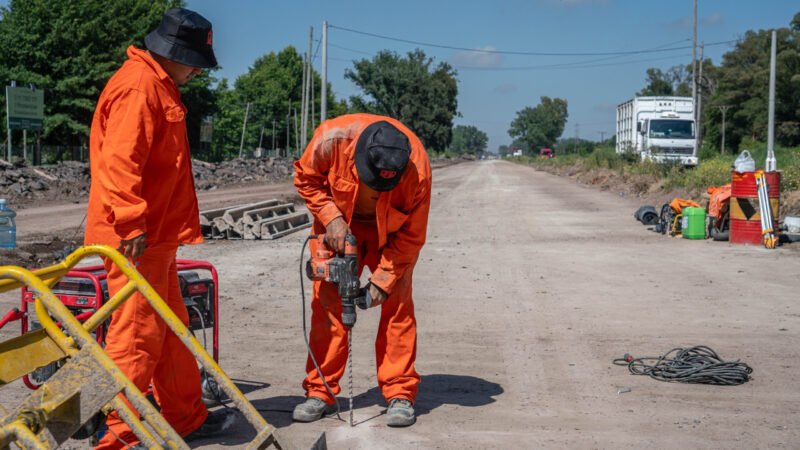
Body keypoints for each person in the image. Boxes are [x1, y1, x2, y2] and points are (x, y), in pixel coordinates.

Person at [84, 8, 233, 449]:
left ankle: (184, 416)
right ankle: (117, 434)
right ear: (172, 52)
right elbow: (119, 161)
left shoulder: (158, 84)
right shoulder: (139, 86)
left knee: (171, 331)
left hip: (156, 238)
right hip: (136, 239)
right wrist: (131, 221)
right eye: (194, 62)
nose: (197, 71)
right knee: (137, 336)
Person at [292, 114, 432, 427]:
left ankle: (400, 392)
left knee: (397, 308)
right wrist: (331, 218)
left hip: (391, 235)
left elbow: (412, 235)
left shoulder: (418, 168)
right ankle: (320, 390)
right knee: (328, 308)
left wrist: (382, 281)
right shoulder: (331, 139)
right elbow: (305, 178)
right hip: (337, 228)